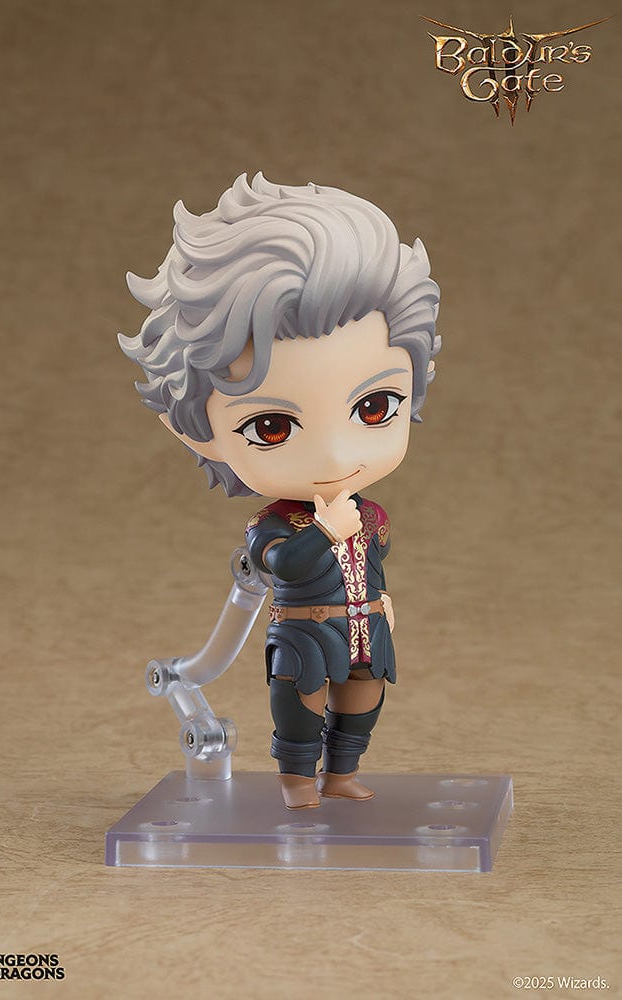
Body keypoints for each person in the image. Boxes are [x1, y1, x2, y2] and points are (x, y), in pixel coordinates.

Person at [119, 173, 441, 809]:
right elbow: (285, 566)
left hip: (365, 625)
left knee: (364, 698)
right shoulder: (275, 523)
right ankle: (297, 780)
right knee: (301, 706)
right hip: (304, 632)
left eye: (375, 407)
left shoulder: (370, 512)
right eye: (271, 427)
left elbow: (374, 557)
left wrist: (380, 602)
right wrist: (324, 530)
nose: (336, 457)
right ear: (199, 431)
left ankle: (341, 773)